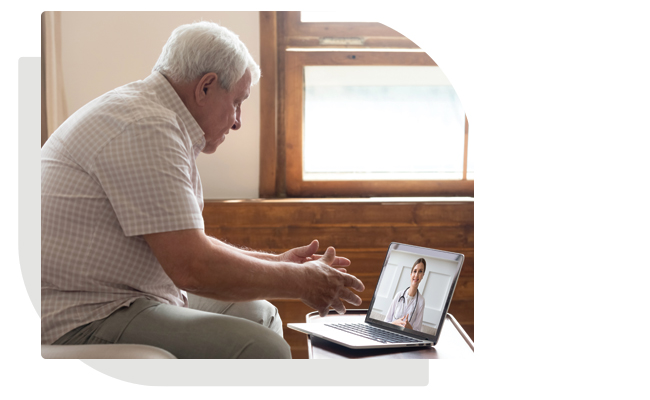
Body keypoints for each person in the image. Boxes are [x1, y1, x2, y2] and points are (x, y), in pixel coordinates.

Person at [41, 21, 365, 359]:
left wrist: (278, 264)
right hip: (80, 315)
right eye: (237, 101)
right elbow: (193, 268)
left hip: (117, 294)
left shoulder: (150, 114)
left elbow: (185, 242)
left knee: (259, 312)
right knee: (262, 349)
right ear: (206, 87)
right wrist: (301, 281)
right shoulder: (146, 128)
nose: (238, 120)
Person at [384, 258, 427, 331]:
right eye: (415, 271)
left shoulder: (421, 301)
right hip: (390, 333)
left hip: (405, 338)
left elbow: (417, 331)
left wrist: (409, 328)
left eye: (420, 272)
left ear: (423, 275)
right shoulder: (399, 295)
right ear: (411, 274)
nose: (416, 275)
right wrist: (394, 323)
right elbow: (386, 322)